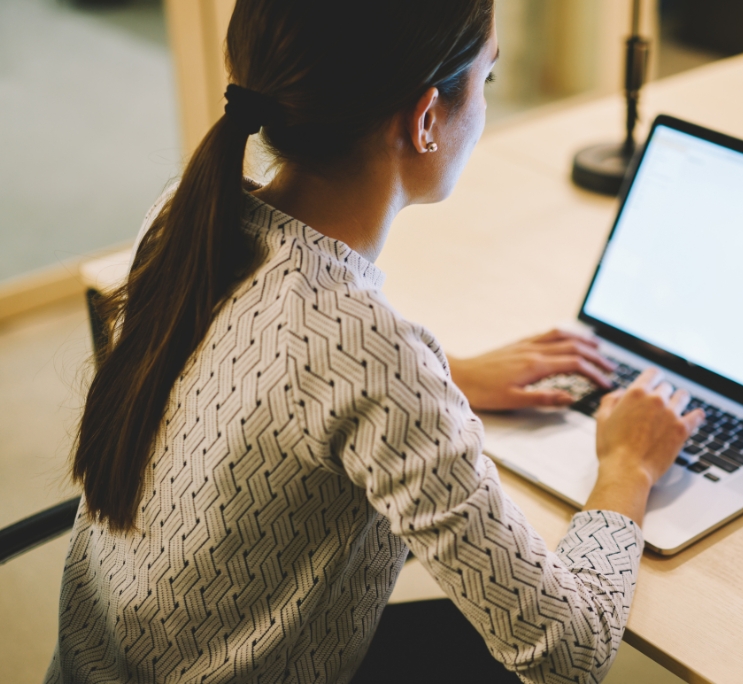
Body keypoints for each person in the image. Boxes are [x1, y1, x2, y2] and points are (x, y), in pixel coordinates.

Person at [49, 1, 704, 682]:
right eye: (488, 80)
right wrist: (629, 465)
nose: (485, 105)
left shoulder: (183, 222)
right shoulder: (370, 359)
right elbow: (568, 656)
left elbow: (294, 371)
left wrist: (446, 378)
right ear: (426, 120)